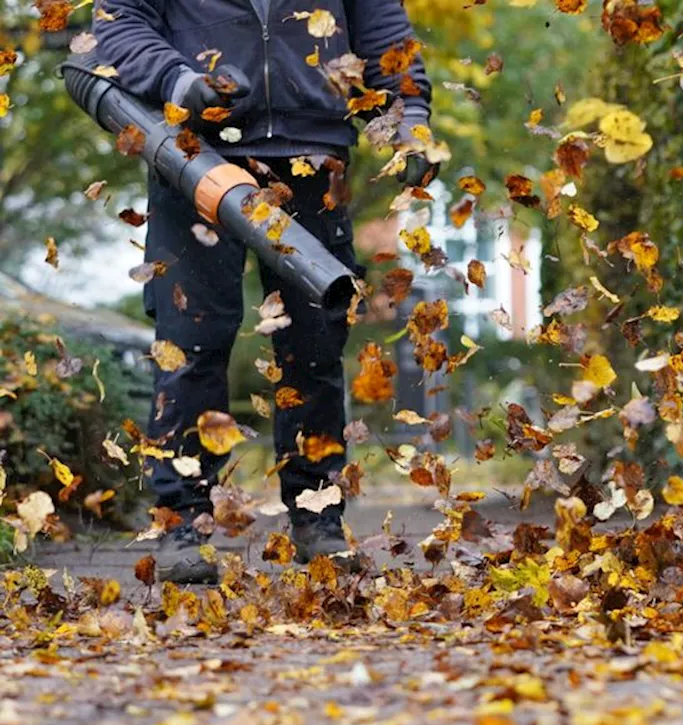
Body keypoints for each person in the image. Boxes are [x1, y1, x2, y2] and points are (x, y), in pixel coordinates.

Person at [93, 0, 435, 584]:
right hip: (195, 156)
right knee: (191, 341)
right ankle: (183, 521)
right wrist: (182, 81)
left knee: (316, 344)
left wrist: (409, 118)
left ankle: (317, 515)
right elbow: (118, 21)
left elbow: (383, 31)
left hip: (313, 158)